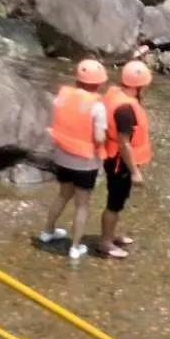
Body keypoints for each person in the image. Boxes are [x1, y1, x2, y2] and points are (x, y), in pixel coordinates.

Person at [40, 58, 109, 261]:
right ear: (99, 83)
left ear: (78, 80)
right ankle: (75, 247)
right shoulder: (98, 107)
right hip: (85, 162)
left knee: (62, 195)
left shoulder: (62, 96)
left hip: (62, 155)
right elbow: (99, 137)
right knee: (82, 204)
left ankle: (47, 232)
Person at [98, 60, 152, 260]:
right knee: (115, 202)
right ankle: (105, 242)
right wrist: (135, 172)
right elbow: (124, 143)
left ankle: (111, 235)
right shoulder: (125, 110)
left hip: (117, 158)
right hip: (119, 161)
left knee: (119, 200)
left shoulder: (116, 94)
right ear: (139, 85)